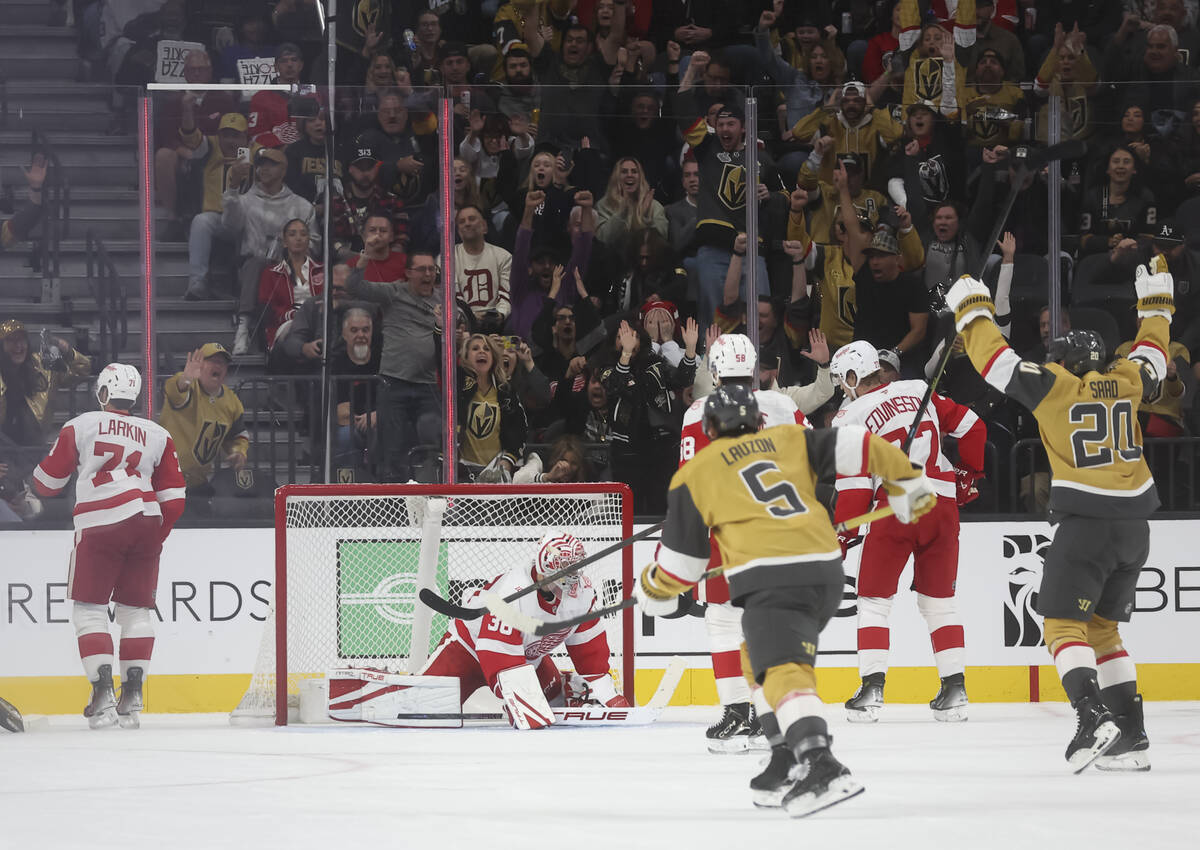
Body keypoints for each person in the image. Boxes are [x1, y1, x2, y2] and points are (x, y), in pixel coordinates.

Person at [635, 383, 937, 816]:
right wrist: (908, 480)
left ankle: (820, 762)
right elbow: (859, 443)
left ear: (709, 428)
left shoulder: (696, 473)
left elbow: (683, 566)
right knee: (753, 659)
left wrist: (652, 590)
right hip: (824, 571)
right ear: (758, 420)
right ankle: (783, 754)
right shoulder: (791, 439)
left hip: (774, 578)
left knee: (780, 669)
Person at [945, 261, 1174, 772]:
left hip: (1085, 522)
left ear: (1068, 362)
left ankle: (1091, 718)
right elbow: (1153, 353)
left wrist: (970, 308)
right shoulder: (1129, 381)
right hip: (1136, 528)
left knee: (1060, 625)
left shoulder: (1055, 387)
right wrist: (1157, 306)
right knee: (1105, 631)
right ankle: (1132, 736)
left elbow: (995, 362)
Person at [829, 340, 985, 722]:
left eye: (841, 380)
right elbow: (974, 427)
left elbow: (854, 487)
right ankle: (954, 690)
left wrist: (843, 535)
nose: (840, 388)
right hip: (942, 505)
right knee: (939, 603)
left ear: (853, 377)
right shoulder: (919, 390)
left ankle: (872, 690)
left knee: (874, 602)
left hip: (895, 507)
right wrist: (969, 474)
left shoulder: (848, 418)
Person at [31, 363, 186, 729]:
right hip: (148, 519)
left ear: (103, 392)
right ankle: (132, 700)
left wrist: (31, 479)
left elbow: (48, 483)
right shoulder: (158, 433)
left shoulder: (82, 423)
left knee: (89, 610)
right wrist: (154, 539)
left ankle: (102, 698)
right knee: (136, 612)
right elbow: (175, 499)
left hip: (99, 520)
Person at [678, 333, 805, 754]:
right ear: (752, 369)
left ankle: (737, 712)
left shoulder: (698, 410)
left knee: (723, 621)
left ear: (714, 371)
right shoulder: (783, 406)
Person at [419, 531, 630, 729]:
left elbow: (589, 649)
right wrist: (518, 699)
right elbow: (497, 654)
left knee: (553, 700)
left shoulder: (582, 592)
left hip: (525, 658)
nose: (575, 573)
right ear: (546, 566)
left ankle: (566, 684)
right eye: (567, 565)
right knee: (421, 710)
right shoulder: (511, 594)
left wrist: (607, 694)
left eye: (577, 565)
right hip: (467, 651)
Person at [345, 251, 443, 482]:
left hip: (427, 382)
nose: (428, 274)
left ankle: (432, 488)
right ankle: (393, 498)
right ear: (408, 273)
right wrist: (364, 259)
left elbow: (460, 325)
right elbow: (354, 287)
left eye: (432, 269)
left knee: (433, 434)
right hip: (393, 381)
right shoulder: (394, 292)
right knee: (392, 445)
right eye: (422, 269)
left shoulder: (443, 301)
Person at [158, 344, 249, 493]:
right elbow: (175, 390)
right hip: (167, 480)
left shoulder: (232, 403)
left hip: (197, 483)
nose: (218, 364)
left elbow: (238, 436)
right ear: (199, 365)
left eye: (222, 362)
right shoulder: (187, 386)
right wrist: (186, 378)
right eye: (212, 360)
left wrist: (239, 452)